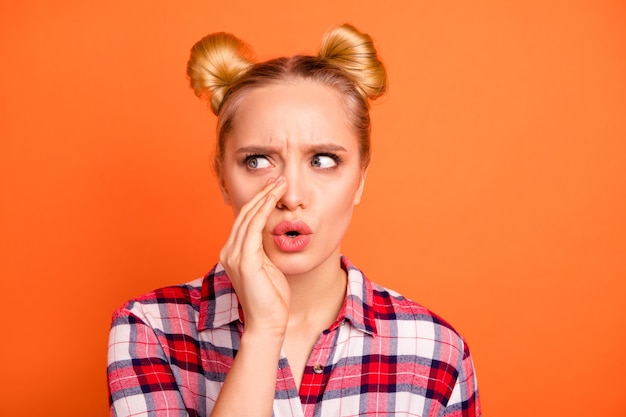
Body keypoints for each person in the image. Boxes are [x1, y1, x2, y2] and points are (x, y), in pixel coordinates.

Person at [107, 23, 481, 417]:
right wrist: (263, 333)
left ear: (360, 179)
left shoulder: (435, 352)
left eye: (323, 160)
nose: (291, 196)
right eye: (257, 161)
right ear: (222, 178)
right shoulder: (151, 331)